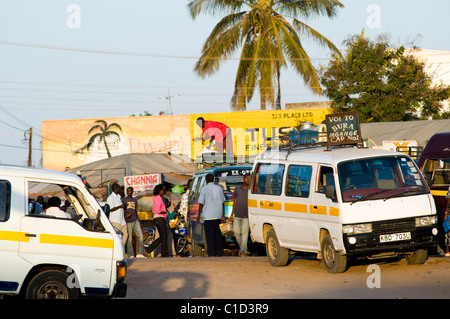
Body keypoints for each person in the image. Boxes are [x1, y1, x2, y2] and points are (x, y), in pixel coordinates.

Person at [197, 174, 225, 257]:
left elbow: (201, 203)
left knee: (209, 236)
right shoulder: (219, 188)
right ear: (213, 179)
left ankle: (211, 253)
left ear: (206, 180)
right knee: (218, 235)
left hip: (208, 216)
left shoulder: (204, 189)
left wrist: (198, 215)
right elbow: (223, 202)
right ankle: (220, 252)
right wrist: (223, 215)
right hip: (217, 215)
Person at [146, 184, 169, 257]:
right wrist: (165, 212)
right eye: (162, 190)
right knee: (164, 237)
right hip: (160, 218)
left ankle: (150, 249)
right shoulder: (159, 198)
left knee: (162, 237)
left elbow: (153, 210)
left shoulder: (155, 198)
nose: (163, 191)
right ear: (159, 191)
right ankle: (163, 253)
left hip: (156, 218)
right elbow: (158, 210)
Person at [230, 173, 250, 257]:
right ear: (243, 179)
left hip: (247, 215)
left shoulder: (252, 189)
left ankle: (243, 251)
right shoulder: (237, 188)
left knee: (245, 233)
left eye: (249, 179)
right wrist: (232, 214)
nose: (248, 180)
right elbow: (234, 202)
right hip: (237, 214)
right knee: (237, 233)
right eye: (246, 178)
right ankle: (242, 247)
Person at [122, 187, 145, 258]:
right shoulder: (124, 199)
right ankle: (131, 254)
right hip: (128, 221)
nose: (129, 192)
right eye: (127, 191)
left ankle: (140, 253)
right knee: (130, 238)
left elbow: (136, 211)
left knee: (140, 236)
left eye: (130, 191)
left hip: (135, 220)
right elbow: (122, 209)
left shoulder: (134, 199)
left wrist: (139, 221)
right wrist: (126, 213)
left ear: (132, 191)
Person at [107, 183, 128, 247]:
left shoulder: (119, 197)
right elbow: (110, 209)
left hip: (122, 221)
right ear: (116, 189)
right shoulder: (110, 198)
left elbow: (120, 209)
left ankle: (121, 248)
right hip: (115, 221)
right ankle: (118, 249)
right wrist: (120, 206)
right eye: (119, 188)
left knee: (125, 235)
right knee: (117, 237)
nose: (120, 189)